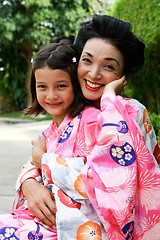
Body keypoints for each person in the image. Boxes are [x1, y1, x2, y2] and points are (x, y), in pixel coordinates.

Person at [2, 14, 160, 239]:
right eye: (87, 60)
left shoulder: (129, 112)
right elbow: (37, 155)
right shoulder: (74, 111)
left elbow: (110, 182)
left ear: (123, 76)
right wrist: (28, 181)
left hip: (98, 228)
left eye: (108, 66)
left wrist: (108, 96)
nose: (94, 73)